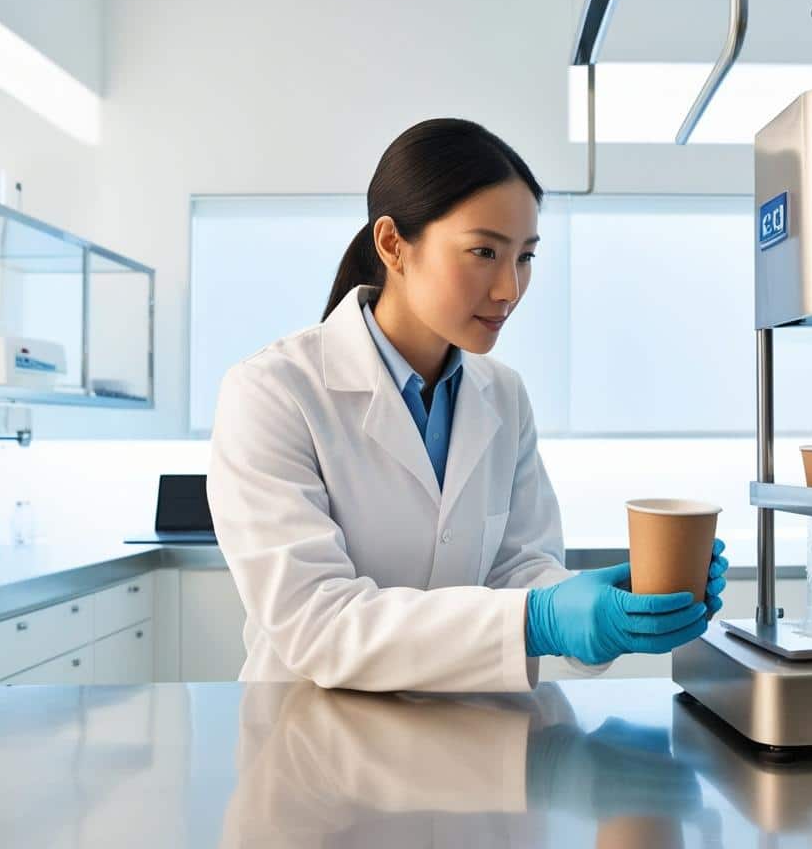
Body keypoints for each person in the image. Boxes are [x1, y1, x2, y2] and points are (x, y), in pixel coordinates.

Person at [208, 118, 728, 692]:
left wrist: (603, 612)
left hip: (470, 740)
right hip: (316, 748)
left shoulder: (502, 394)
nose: (509, 289)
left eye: (525, 257)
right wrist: (538, 620)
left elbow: (518, 568)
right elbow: (316, 624)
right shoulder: (273, 392)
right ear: (392, 245)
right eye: (484, 251)